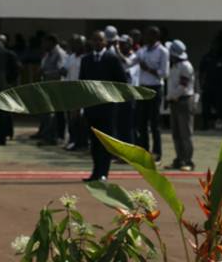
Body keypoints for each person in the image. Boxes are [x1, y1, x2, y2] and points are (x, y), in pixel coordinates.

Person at [80, 30, 129, 182]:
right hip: (91, 107)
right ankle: (95, 171)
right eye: (94, 40)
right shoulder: (86, 60)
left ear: (105, 42)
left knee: (105, 141)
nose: (97, 43)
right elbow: (82, 83)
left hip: (107, 107)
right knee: (94, 142)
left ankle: (103, 172)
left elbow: (122, 81)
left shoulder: (112, 59)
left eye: (100, 40)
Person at [135, 25, 170, 161]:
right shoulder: (143, 50)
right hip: (142, 88)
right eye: (146, 34)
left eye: (150, 35)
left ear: (156, 37)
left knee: (154, 123)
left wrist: (148, 69)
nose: (147, 37)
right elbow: (131, 61)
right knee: (141, 122)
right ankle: (144, 150)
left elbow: (164, 74)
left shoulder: (163, 51)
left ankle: (157, 153)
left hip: (155, 88)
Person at [165, 40, 196, 172]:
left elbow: (183, 86)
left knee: (185, 134)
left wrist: (171, 96)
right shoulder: (174, 65)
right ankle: (179, 159)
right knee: (176, 133)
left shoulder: (185, 66)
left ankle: (188, 160)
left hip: (183, 101)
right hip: (175, 101)